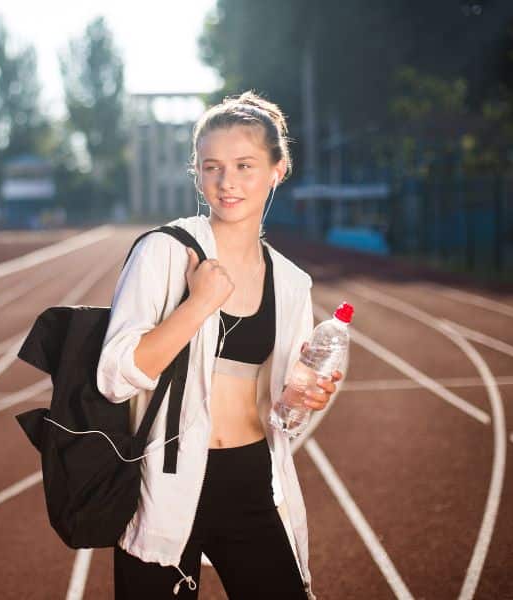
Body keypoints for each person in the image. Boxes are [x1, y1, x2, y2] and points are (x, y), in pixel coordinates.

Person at [96, 91, 342, 599]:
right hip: (166, 481)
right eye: (212, 167)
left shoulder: (291, 283)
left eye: (245, 165)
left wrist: (303, 398)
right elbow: (114, 374)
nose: (227, 182)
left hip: (251, 479)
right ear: (198, 172)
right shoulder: (164, 252)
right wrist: (198, 304)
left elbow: (280, 406)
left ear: (279, 168)